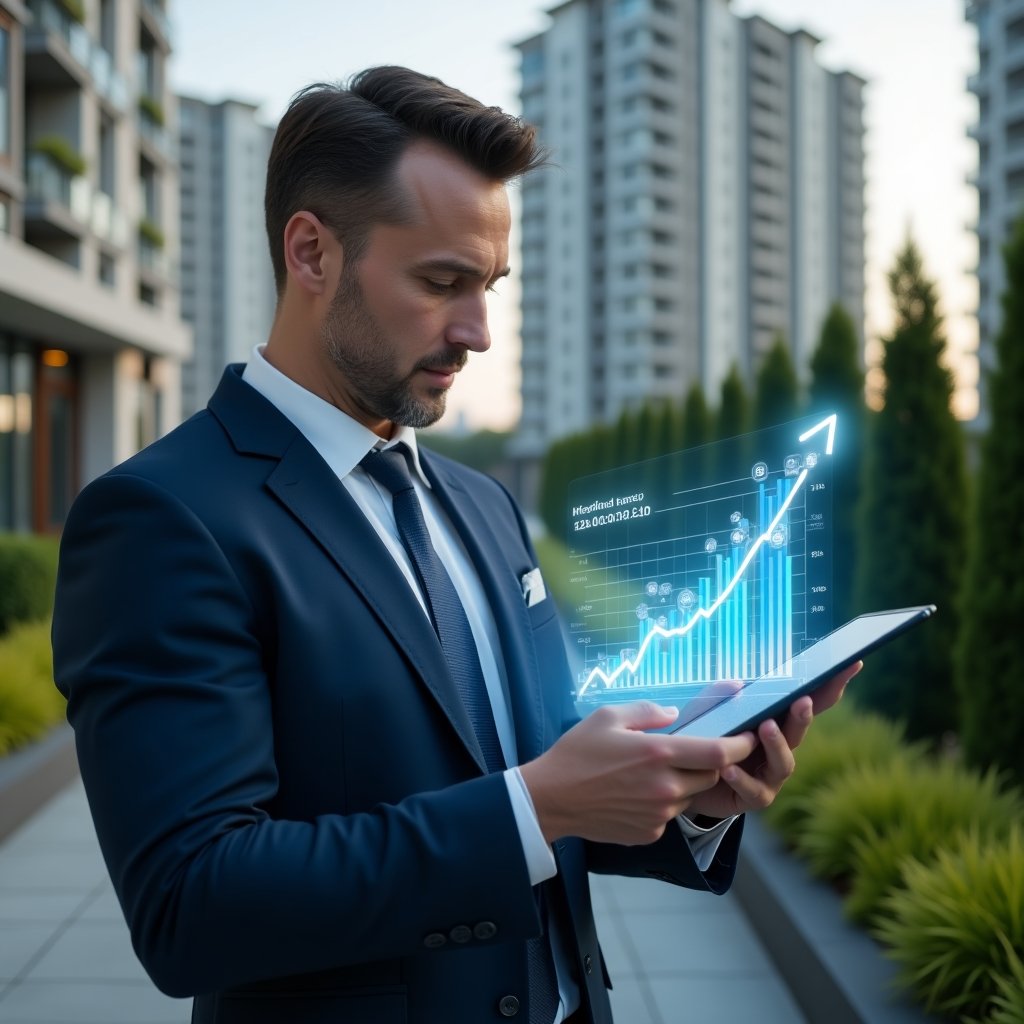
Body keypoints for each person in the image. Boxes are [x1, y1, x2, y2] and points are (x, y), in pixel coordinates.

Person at [51, 66, 857, 1024]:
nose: (478, 331)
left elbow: (537, 774)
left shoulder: (480, 504)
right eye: (441, 282)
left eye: (490, 286)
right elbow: (193, 904)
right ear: (310, 253)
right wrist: (538, 805)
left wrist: (689, 797)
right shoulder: (159, 518)